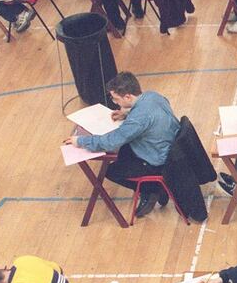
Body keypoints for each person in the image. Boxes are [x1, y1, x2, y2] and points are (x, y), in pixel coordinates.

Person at [65, 72, 180, 218]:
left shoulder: (137, 121)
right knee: (124, 151)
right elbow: (151, 113)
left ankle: (152, 189)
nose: (114, 102)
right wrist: (128, 114)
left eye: (116, 99)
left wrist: (80, 141)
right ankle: (155, 189)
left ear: (127, 97)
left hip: (156, 159)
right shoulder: (153, 96)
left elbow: (111, 142)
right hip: (166, 149)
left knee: (111, 171)